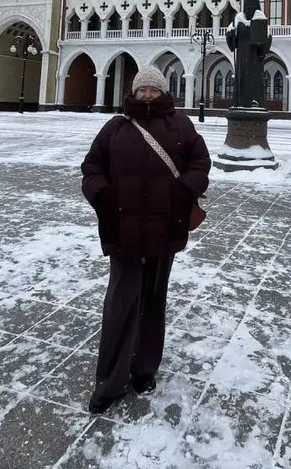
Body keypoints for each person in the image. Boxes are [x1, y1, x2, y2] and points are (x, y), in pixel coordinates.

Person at [80, 65, 211, 415]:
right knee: (121, 302)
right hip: (123, 230)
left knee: (153, 301)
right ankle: (110, 380)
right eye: (143, 90)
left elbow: (201, 162)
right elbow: (91, 168)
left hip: (163, 229)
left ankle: (143, 369)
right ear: (134, 93)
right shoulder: (115, 128)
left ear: (164, 92)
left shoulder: (180, 126)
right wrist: (102, 196)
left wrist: (185, 189)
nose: (148, 95)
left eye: (154, 89)